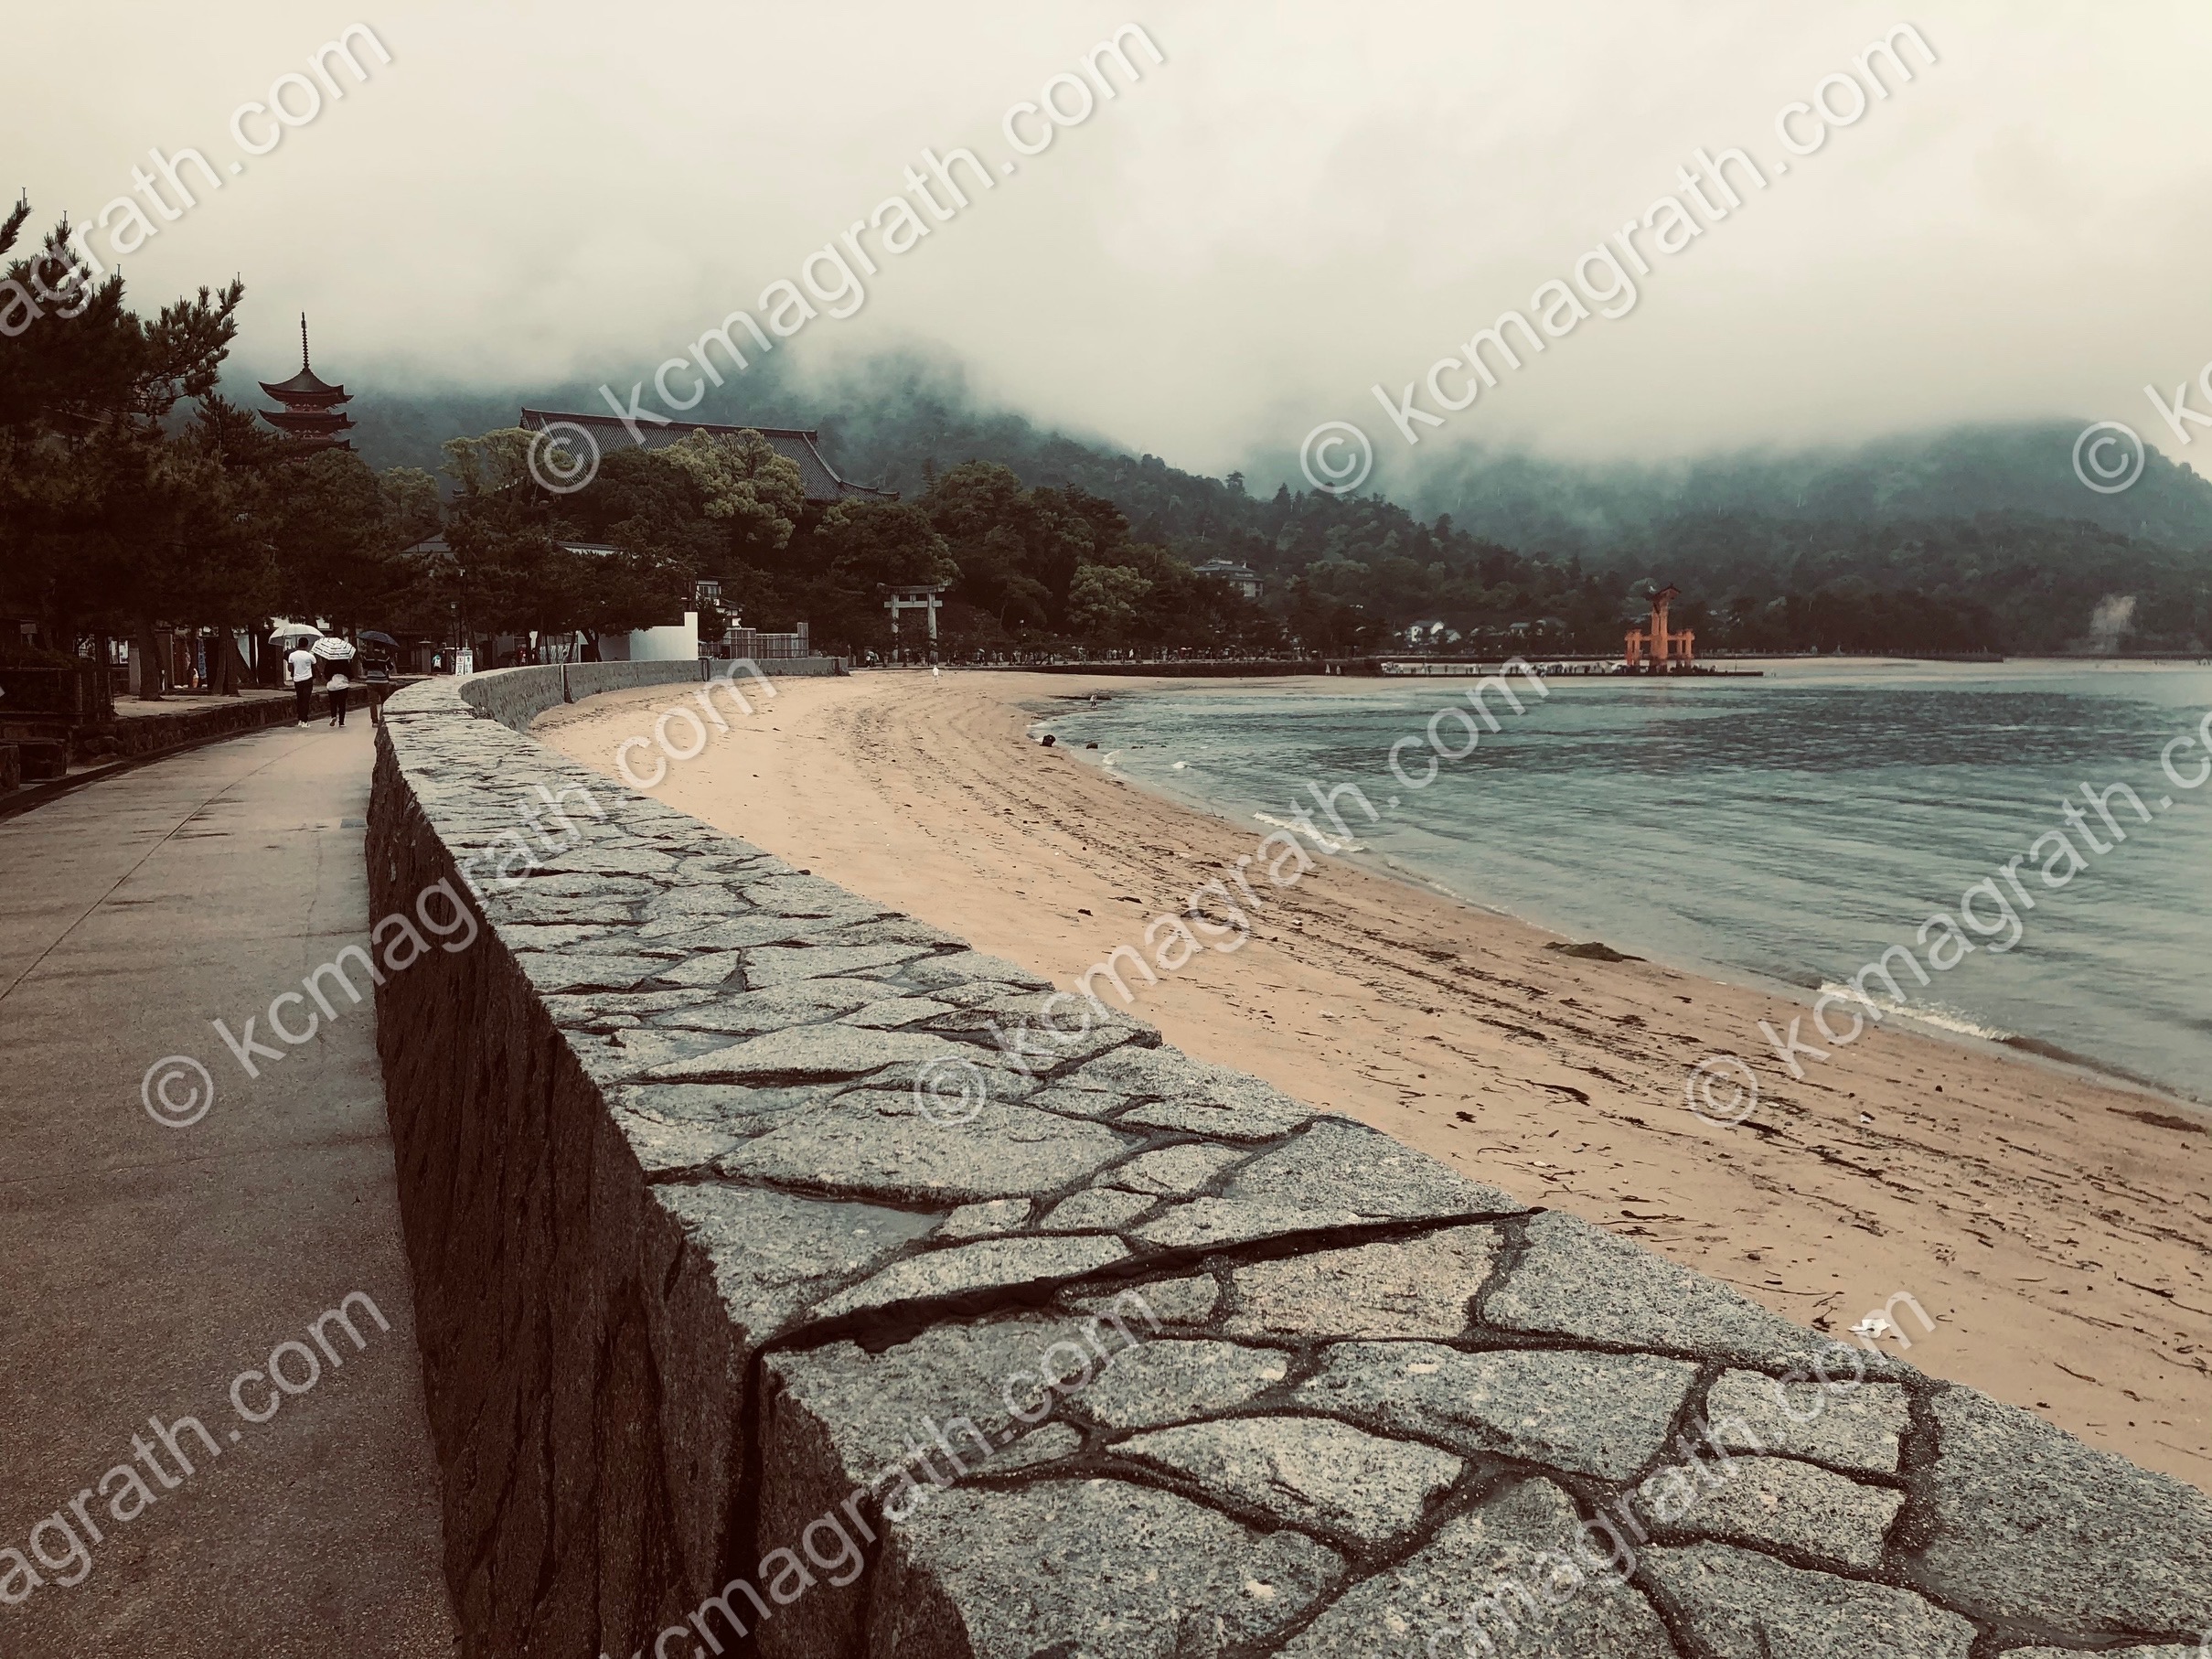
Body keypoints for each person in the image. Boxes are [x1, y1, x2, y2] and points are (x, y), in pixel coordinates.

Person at [287, 641, 316, 722]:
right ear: (307, 645)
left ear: (298, 645)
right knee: (306, 700)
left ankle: (300, 718)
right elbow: (314, 667)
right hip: (307, 679)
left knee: (299, 698)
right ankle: (305, 719)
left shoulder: (292, 655)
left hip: (297, 679)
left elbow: (290, 669)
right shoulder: (310, 656)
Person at [326, 656, 352, 727]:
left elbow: (326, 673)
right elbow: (350, 674)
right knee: (342, 704)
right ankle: (341, 722)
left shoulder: (330, 661)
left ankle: (333, 716)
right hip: (343, 685)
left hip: (332, 685)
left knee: (333, 702)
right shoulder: (344, 661)